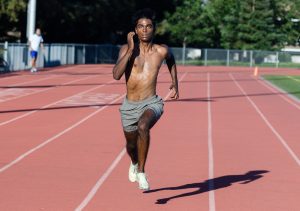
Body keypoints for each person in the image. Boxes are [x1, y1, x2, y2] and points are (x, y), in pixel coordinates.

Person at [112, 8, 179, 190]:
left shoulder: (161, 51)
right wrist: (131, 49)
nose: (144, 30)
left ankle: (142, 172)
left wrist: (175, 83)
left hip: (152, 102)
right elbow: (116, 75)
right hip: (129, 105)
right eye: (141, 26)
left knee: (143, 126)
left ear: (153, 29)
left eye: (148, 26)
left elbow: (171, 60)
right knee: (131, 145)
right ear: (135, 30)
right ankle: (134, 162)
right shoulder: (126, 50)